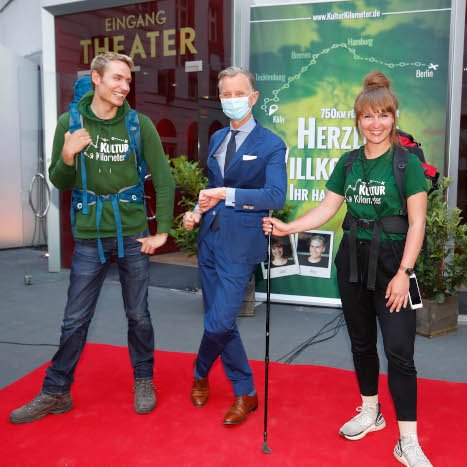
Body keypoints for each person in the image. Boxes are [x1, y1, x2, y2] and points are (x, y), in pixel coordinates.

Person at [263, 71, 432, 466]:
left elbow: (418, 222)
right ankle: (370, 411)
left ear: (394, 117)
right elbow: (328, 208)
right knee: (360, 342)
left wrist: (404, 273)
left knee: (400, 352)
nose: (376, 124)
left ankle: (407, 440)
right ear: (358, 120)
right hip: (353, 262)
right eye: (368, 116)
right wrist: (289, 226)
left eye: (383, 116)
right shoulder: (348, 162)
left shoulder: (408, 163)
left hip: (395, 266)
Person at [10, 52, 175, 423]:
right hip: (89, 236)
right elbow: (60, 181)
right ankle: (56, 392)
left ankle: (144, 379)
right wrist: (67, 156)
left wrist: (162, 230)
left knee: (138, 315)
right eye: (117, 78)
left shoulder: (138, 124)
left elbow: (163, 179)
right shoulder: (70, 122)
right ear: (96, 79)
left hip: (133, 234)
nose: (124, 86)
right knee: (75, 319)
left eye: (128, 80)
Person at [182, 66, 286, 425]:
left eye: (238, 93)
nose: (231, 101)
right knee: (220, 320)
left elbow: (276, 195)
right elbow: (210, 187)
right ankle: (246, 393)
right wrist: (196, 211)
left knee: (219, 321)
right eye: (225, 95)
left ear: (253, 97)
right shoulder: (216, 140)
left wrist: (227, 194)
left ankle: (199, 371)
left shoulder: (271, 144)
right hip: (208, 239)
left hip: (241, 245)